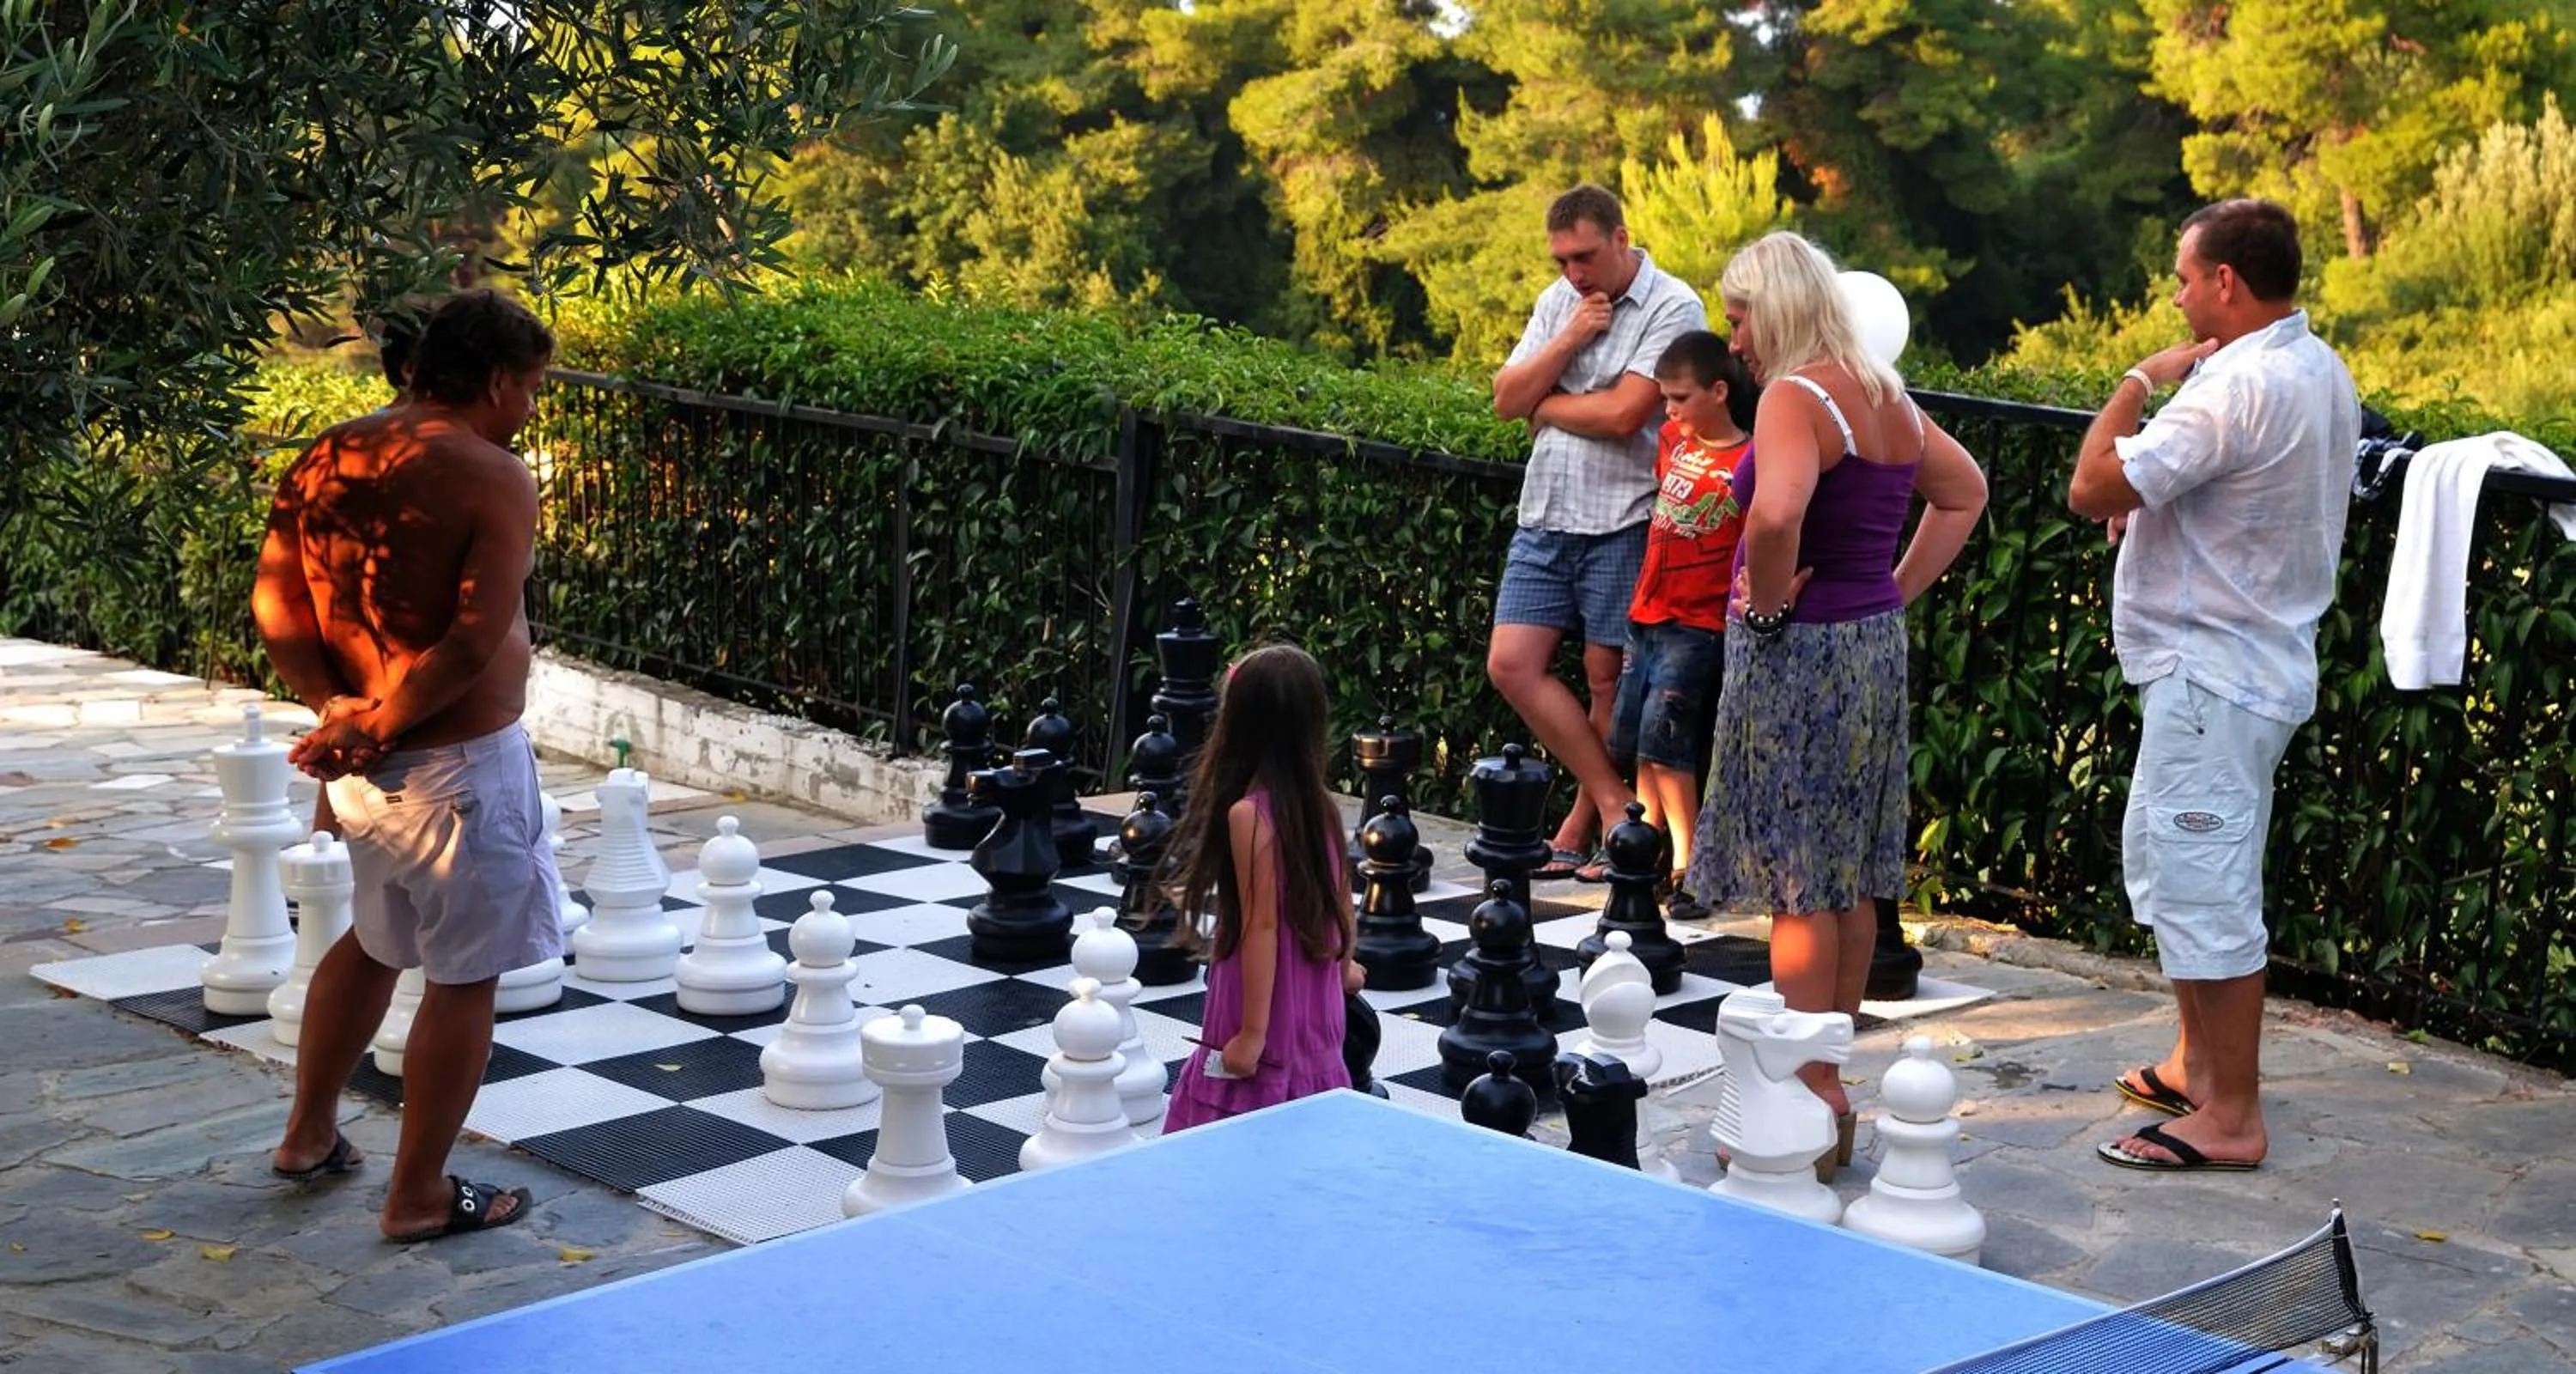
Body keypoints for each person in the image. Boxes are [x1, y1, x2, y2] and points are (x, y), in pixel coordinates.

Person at [252, 288, 562, 1241]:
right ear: (501, 379)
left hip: (366, 766)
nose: (532, 408)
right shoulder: (492, 473)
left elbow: (276, 604)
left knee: (376, 944)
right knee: (464, 978)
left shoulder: (332, 450)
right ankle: (419, 1194)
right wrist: (380, 719)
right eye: (534, 387)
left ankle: (307, 1135)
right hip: (458, 771)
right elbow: (470, 644)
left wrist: (338, 714)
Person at [1686, 232, 1987, 1178]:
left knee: (1798, 879)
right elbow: (1963, 492)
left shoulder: (1795, 395)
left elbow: (1775, 514)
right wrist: (1890, 590)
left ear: (1773, 309)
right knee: (1851, 871)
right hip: (1868, 646)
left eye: (1738, 318)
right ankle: (1830, 1084)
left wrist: (1769, 606)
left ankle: (1804, 1102)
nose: (1731, 341)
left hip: (1801, 654)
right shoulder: (1883, 392)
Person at [2070, 199, 2360, 1174]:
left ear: (2226, 282)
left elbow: (2093, 484)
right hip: (2243, 664)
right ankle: (2197, 1062)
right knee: (2171, 865)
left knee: (2208, 889)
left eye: (2187, 278)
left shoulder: (2229, 387)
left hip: (2216, 670)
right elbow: (2231, 494)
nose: (2181, 294)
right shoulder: (2316, 367)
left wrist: (2135, 382)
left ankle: (2231, 1115)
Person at [1486, 184, 1709, 882]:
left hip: (1624, 513)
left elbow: (1626, 415)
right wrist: (1574, 337)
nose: (1573, 272)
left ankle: (1586, 826)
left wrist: (1546, 405)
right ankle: (1614, 806)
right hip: (1547, 508)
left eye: (1584, 255)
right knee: (1511, 663)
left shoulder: (1673, 305)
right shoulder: (1561, 304)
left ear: (1620, 237)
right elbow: (1504, 400)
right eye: (1561, 259)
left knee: (1606, 681)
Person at [1159, 643, 1363, 1131]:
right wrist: (1344, 968)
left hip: (1266, 1000)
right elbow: (1341, 898)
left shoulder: (1250, 815)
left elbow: (1262, 926)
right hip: (1314, 989)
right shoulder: (1322, 805)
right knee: (1308, 1122)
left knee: (1247, 1115)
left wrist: (1252, 1033)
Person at [1606, 330, 1756, 913]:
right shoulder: (1673, 440)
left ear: (1719, 392)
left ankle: (1690, 867)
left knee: (1670, 745)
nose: (1669, 411)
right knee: (1637, 744)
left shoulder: (1749, 459)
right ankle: (1645, 851)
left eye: (1681, 398)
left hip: (1699, 621)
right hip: (1647, 613)